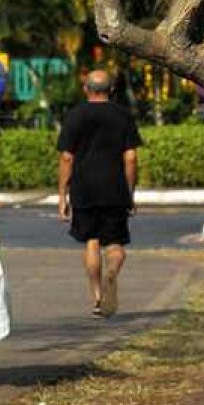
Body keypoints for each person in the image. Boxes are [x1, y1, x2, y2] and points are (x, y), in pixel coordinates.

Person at [56, 68, 141, 317]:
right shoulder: (123, 115)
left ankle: (97, 296)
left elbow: (66, 157)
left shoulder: (75, 115)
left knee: (91, 242)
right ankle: (112, 272)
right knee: (114, 244)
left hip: (84, 189)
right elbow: (131, 156)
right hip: (114, 188)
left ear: (86, 89)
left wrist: (62, 195)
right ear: (111, 90)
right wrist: (130, 192)